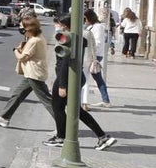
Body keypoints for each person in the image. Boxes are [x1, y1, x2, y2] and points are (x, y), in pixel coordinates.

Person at [48, 13, 117, 151]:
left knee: (58, 108)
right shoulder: (80, 36)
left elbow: (65, 62)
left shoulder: (68, 38)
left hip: (66, 78)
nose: (57, 27)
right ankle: (103, 137)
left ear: (66, 25)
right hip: (76, 76)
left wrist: (62, 85)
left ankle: (61, 137)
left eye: (60, 25)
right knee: (76, 110)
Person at [0, 15, 52, 128]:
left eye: (22, 27)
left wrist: (15, 50)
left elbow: (22, 57)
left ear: (29, 29)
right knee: (17, 95)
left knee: (47, 101)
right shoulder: (36, 38)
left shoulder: (35, 41)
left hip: (34, 74)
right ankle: (4, 118)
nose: (20, 28)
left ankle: (64, 127)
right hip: (31, 73)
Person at [82, 9, 111, 108]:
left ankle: (85, 101)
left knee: (86, 77)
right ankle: (105, 100)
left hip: (94, 55)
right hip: (92, 54)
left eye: (85, 18)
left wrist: (93, 55)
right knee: (97, 78)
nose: (84, 20)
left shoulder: (97, 27)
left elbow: (97, 42)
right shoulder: (92, 26)